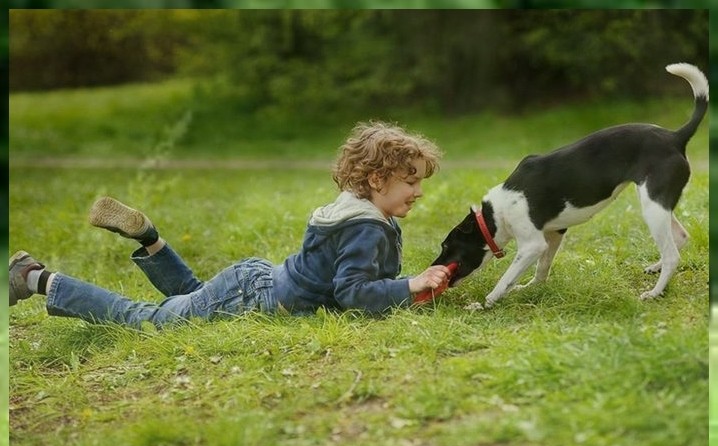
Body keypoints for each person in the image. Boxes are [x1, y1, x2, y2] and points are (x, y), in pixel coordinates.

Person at [9, 121, 452, 329]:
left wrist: (405, 291)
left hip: (255, 281)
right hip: (256, 294)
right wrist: (409, 286)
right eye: (409, 181)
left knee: (192, 299)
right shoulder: (366, 227)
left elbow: (361, 281)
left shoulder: (359, 209)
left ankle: (150, 239)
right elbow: (352, 291)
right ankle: (33, 277)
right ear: (377, 180)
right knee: (152, 321)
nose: (418, 191)